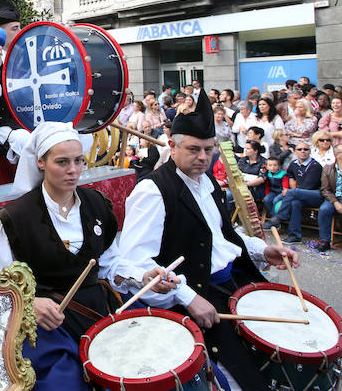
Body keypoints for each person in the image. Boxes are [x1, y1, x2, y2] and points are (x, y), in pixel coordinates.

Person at [116, 88, 298, 390]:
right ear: (172, 146)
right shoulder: (152, 191)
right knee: (240, 379)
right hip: (194, 293)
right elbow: (135, 261)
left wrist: (262, 250)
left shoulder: (209, 181)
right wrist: (188, 298)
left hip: (233, 282)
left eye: (209, 149)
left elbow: (221, 235)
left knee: (277, 354)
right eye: (193, 149)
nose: (203, 157)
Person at [0, 122, 176, 389]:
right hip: (48, 325)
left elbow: (109, 264)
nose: (73, 170)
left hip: (98, 310)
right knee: (64, 383)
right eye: (62, 162)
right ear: (41, 162)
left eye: (78, 161)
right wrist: (29, 304)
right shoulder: (16, 218)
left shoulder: (97, 204)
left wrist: (143, 276)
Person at [0, 0, 29, 162]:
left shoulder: (26, 58)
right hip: (1, 124)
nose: (20, 32)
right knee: (25, 140)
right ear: (0, 34)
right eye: (15, 28)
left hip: (28, 120)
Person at [264, 139, 324, 242]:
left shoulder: (315, 166)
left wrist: (290, 191)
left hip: (315, 195)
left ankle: (278, 217)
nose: (303, 151)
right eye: (299, 149)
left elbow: (307, 187)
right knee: (295, 203)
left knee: (292, 192)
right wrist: (291, 189)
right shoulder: (294, 164)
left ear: (310, 151)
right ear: (296, 152)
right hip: (299, 195)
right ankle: (295, 235)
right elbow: (291, 176)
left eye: (306, 149)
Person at [262, 156, 290, 221]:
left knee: (276, 200)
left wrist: (285, 190)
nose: (273, 167)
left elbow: (285, 185)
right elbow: (267, 186)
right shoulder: (267, 174)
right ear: (267, 167)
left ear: (279, 166)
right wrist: (267, 194)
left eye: (275, 165)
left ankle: (275, 217)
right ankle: (273, 215)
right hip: (272, 192)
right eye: (270, 165)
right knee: (267, 199)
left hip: (281, 192)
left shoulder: (283, 174)